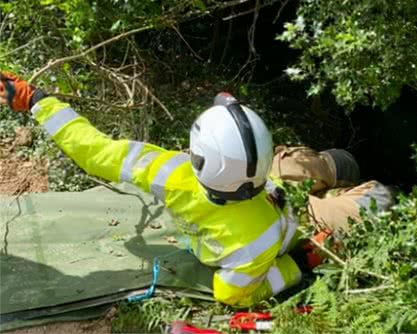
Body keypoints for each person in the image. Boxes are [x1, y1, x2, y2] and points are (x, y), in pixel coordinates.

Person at [0, 71, 393, 307]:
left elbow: (93, 150)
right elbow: (233, 296)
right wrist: (299, 263)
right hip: (298, 224)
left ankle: (335, 169)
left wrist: (36, 100)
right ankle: (344, 178)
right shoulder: (254, 243)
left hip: (271, 188)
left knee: (320, 165)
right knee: (379, 197)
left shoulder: (170, 172)